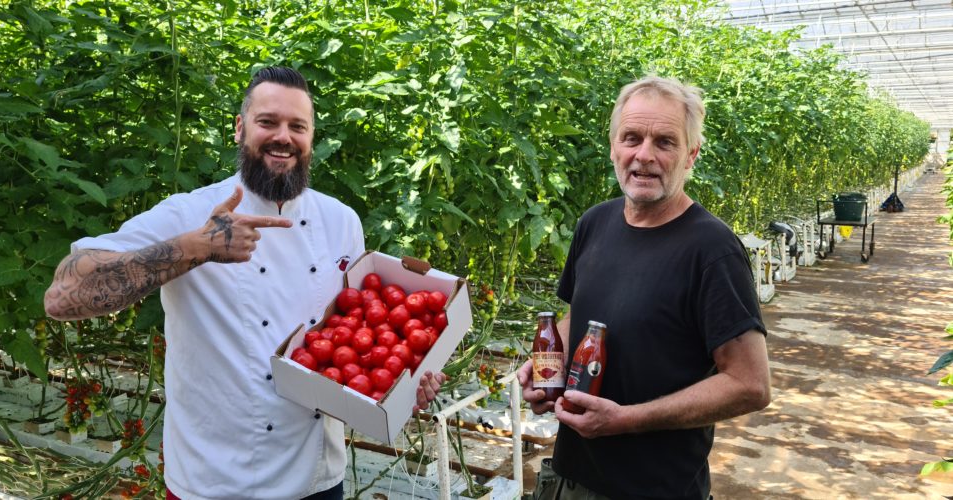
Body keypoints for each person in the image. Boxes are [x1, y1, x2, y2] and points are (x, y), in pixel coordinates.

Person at [44, 66, 445, 500]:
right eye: (267, 122)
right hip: (216, 480)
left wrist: (403, 381)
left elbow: (353, 336)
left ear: (312, 138)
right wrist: (196, 248)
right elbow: (63, 297)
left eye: (298, 126)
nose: (283, 137)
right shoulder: (188, 214)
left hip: (318, 477)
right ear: (239, 129)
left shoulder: (340, 221)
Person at [517, 76, 771, 500]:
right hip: (568, 478)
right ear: (614, 146)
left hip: (656, 488)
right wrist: (547, 367)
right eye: (631, 138)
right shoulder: (594, 223)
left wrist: (626, 419)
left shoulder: (712, 250)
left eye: (665, 142)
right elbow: (576, 314)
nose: (644, 155)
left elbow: (750, 384)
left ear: (691, 155)